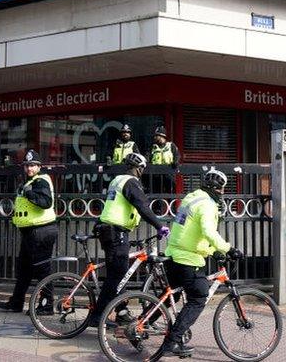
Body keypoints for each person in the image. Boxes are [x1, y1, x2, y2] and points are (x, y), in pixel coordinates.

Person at [160, 167, 242, 357]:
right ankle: (171, 342)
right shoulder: (207, 205)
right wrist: (228, 248)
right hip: (187, 258)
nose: (222, 193)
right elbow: (208, 231)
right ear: (216, 188)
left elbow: (192, 231)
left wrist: (213, 251)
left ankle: (142, 323)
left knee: (171, 294)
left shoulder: (192, 197)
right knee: (198, 296)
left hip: (174, 253)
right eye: (222, 189)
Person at [87, 152, 169, 327]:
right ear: (139, 169)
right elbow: (142, 206)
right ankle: (97, 316)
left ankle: (122, 312)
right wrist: (159, 225)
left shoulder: (117, 180)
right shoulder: (131, 182)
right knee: (116, 276)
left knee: (119, 274)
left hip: (109, 230)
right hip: (116, 232)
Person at [0, 149, 58, 312]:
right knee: (24, 269)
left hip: (41, 231)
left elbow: (46, 202)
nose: (29, 168)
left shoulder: (41, 181)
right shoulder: (29, 182)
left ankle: (47, 305)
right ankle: (16, 302)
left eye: (32, 165)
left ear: (39, 166)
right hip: (31, 232)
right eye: (27, 165)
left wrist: (30, 193)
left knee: (42, 269)